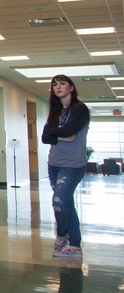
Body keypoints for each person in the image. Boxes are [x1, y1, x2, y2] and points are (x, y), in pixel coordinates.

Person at [41, 75, 90, 258]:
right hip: (54, 164)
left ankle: (61, 236)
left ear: (71, 87)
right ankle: (75, 245)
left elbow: (70, 130)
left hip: (72, 165)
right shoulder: (55, 112)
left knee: (59, 202)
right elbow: (45, 137)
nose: (57, 87)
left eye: (62, 83)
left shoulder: (79, 109)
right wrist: (59, 136)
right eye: (54, 84)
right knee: (67, 203)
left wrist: (56, 133)